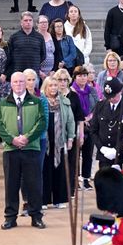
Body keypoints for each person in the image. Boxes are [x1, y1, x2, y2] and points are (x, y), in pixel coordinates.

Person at [0, 72, 46, 229]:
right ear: (11, 84)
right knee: (11, 184)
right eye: (15, 82)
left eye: (21, 82)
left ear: (27, 84)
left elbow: (42, 122)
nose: (18, 85)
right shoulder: (3, 104)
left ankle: (36, 216)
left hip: (31, 148)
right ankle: (10, 217)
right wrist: (12, 139)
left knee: (34, 184)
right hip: (11, 150)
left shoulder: (36, 102)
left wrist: (27, 138)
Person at [39, 76, 74, 208]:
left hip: (60, 140)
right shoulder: (40, 102)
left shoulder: (64, 101)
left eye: (55, 85)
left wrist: (70, 138)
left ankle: (59, 200)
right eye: (50, 85)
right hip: (45, 140)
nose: (53, 88)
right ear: (45, 87)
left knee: (59, 170)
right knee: (45, 170)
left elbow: (70, 121)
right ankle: (43, 200)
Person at [90, 77, 123, 169]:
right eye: (108, 97)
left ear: (120, 91)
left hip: (122, 156)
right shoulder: (100, 106)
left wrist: (117, 150)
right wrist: (101, 148)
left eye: (113, 96)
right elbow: (93, 130)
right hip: (104, 155)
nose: (111, 99)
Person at [70, 66, 97, 190]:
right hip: (76, 124)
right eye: (80, 76)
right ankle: (75, 179)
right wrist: (82, 119)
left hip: (90, 124)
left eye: (85, 75)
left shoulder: (92, 90)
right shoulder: (71, 92)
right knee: (76, 154)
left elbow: (97, 105)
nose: (83, 78)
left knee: (88, 152)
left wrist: (89, 117)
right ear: (75, 77)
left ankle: (86, 179)